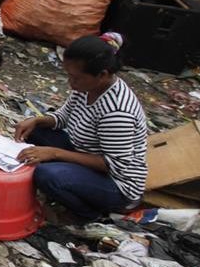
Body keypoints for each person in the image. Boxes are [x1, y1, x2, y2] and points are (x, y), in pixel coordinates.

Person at [14, 32, 147, 221]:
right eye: (69, 75)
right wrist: (37, 120)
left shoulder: (117, 111)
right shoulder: (86, 88)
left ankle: (87, 214)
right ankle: (69, 181)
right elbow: (63, 117)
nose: (71, 82)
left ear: (102, 75)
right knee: (35, 131)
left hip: (116, 184)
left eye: (75, 78)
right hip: (85, 153)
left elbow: (113, 164)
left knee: (47, 175)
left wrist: (54, 153)